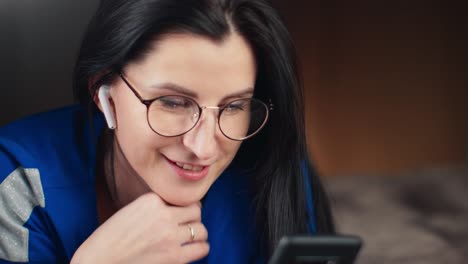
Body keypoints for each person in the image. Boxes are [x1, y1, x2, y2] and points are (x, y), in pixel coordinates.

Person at [0, 0, 335, 263]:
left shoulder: (271, 169)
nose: (203, 148)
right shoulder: (21, 185)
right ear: (104, 92)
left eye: (234, 106)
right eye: (173, 102)